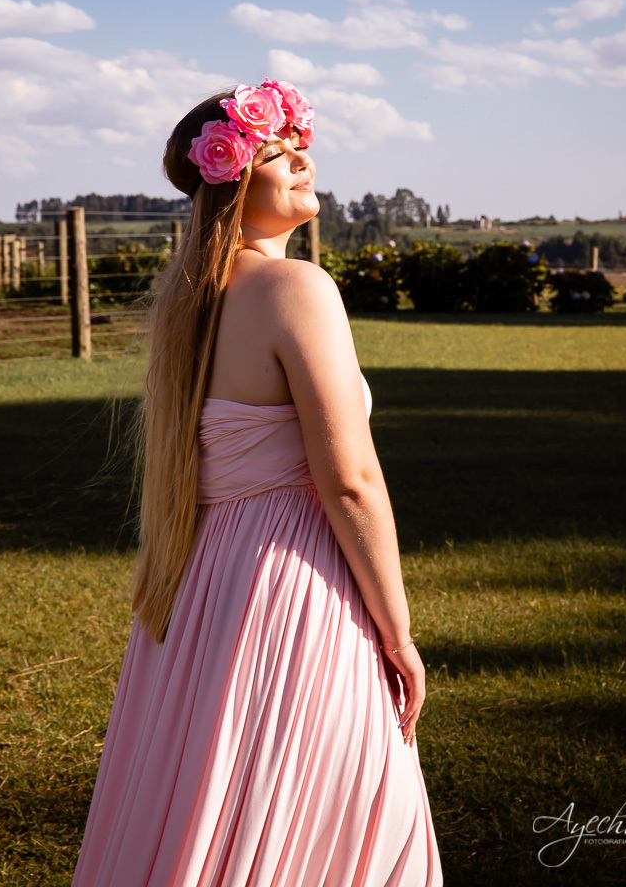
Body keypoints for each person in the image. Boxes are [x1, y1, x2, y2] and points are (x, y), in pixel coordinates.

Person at [72, 81, 443, 886]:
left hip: (203, 584)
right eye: (278, 152)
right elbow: (349, 481)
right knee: (335, 813)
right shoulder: (296, 288)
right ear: (234, 178)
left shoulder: (189, 301)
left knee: (215, 797)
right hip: (292, 587)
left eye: (301, 146)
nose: (305, 160)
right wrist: (398, 635)